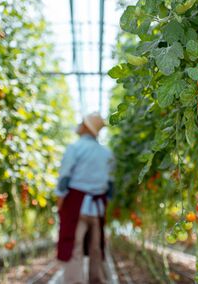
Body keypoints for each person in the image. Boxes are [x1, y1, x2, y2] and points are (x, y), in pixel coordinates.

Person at [56, 112, 114, 284]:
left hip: (76, 205)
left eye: (82, 122)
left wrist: (60, 200)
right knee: (96, 246)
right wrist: (105, 203)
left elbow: (64, 178)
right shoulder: (106, 153)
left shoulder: (75, 148)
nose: (79, 124)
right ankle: (96, 279)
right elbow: (110, 185)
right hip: (97, 207)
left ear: (86, 127)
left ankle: (75, 281)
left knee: (74, 245)